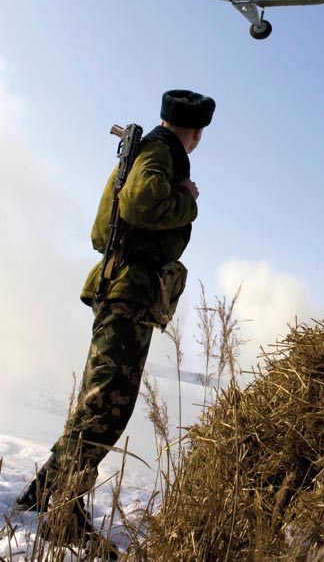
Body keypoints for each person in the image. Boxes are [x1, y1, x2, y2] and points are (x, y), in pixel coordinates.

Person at [13, 89, 216, 544]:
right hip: (128, 291)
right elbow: (141, 204)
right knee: (107, 408)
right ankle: (62, 516)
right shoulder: (161, 153)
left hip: (123, 287)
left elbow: (107, 225)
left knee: (98, 401)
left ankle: (40, 495)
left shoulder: (151, 151)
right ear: (197, 132)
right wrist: (187, 200)